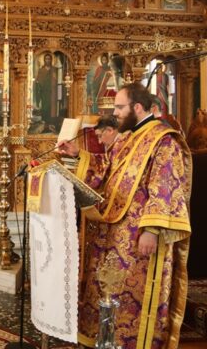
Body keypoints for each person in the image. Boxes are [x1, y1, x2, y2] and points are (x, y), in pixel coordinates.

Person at [57, 83, 191, 348]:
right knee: (110, 289)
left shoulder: (164, 140)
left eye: (119, 107)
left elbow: (165, 186)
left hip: (140, 234)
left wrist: (151, 230)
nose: (115, 113)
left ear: (137, 107)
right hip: (114, 229)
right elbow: (107, 169)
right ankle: (108, 340)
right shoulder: (128, 137)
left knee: (136, 294)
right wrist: (77, 154)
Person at [34, 53, 58, 125]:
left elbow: (57, 80)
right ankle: (44, 123)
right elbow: (38, 82)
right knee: (45, 108)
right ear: (44, 60)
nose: (48, 60)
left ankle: (52, 123)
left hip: (53, 93)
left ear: (51, 60)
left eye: (49, 59)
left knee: (52, 108)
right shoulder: (41, 70)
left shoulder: (54, 69)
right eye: (46, 59)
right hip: (44, 93)